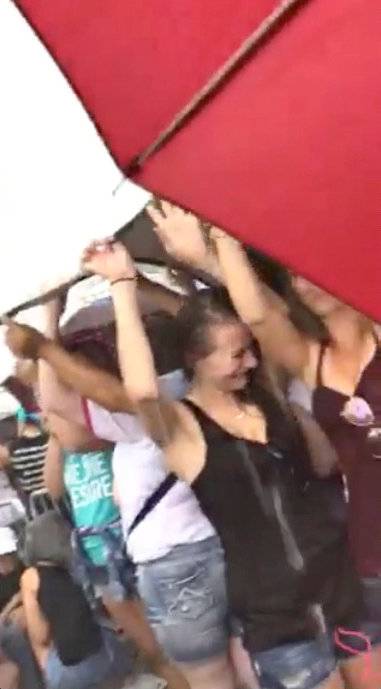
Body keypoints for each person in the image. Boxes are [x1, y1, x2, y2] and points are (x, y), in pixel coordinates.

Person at [67, 238, 367, 689]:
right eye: (236, 353)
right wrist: (123, 285)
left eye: (251, 350)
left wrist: (215, 248)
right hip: (279, 623)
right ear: (195, 359)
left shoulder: (267, 397)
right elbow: (142, 392)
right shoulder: (182, 428)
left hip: (344, 593)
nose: (249, 361)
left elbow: (262, 319)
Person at [145, 201, 381, 689]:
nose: (306, 280)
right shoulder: (310, 359)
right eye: (293, 275)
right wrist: (221, 239)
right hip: (371, 551)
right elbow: (256, 313)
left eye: (313, 266)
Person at [4, 303, 254, 688]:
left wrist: (46, 336)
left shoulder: (140, 412)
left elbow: (58, 405)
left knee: (210, 677)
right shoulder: (189, 390)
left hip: (174, 559)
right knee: (240, 662)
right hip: (205, 545)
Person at [0, 526, 45, 689]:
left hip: (29, 610)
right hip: (7, 622)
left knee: (18, 633)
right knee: (12, 635)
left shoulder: (25, 567)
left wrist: (17, 605)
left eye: (6, 556)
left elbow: (29, 588)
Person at [0, 408, 49, 514]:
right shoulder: (48, 442)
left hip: (32, 502)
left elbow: (14, 478)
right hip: (53, 496)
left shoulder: (14, 449)